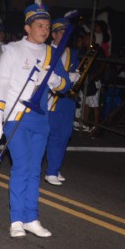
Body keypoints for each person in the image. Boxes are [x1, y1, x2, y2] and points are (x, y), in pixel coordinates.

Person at [0, 0, 68, 238]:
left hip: (40, 117)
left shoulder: (51, 53)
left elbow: (66, 84)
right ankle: (16, 219)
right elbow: (1, 84)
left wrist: (55, 81)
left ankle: (31, 217)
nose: (45, 30)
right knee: (22, 166)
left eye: (47, 26)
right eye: (40, 26)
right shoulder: (12, 50)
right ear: (27, 27)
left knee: (35, 169)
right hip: (16, 117)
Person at [44, 17, 79, 186]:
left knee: (65, 134)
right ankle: (51, 171)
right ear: (54, 34)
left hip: (68, 99)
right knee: (53, 134)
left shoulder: (73, 53)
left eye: (67, 33)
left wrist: (76, 76)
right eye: (62, 32)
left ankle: (55, 168)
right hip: (53, 99)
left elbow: (77, 71)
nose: (65, 36)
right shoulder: (47, 51)